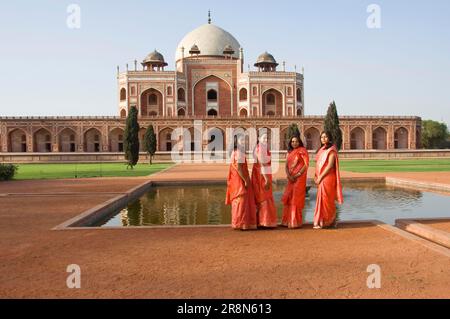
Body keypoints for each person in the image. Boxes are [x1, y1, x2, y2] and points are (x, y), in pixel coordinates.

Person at [225, 134, 257, 230]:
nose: (243, 141)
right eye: (241, 140)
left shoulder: (235, 152)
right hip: (239, 179)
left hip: (235, 179)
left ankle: (238, 223)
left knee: (238, 201)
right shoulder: (239, 152)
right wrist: (245, 180)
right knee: (242, 201)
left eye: (244, 140)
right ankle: (242, 223)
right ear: (236, 141)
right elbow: (239, 168)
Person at [313, 131, 343, 229]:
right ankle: (322, 221)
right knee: (322, 199)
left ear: (329, 138)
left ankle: (329, 221)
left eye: (326, 137)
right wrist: (316, 176)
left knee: (327, 200)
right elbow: (317, 165)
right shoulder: (321, 150)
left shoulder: (332, 150)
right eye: (322, 137)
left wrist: (321, 177)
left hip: (328, 177)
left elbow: (330, 166)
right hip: (321, 177)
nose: (323, 139)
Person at [281, 135, 309, 228]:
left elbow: (305, 165)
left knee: (295, 198)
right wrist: (289, 176)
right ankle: (287, 221)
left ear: (299, 142)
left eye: (296, 141)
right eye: (292, 141)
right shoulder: (289, 152)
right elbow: (286, 166)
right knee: (289, 198)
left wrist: (297, 175)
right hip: (291, 178)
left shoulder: (302, 151)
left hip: (299, 178)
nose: (294, 143)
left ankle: (295, 221)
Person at [251, 132, 277, 228]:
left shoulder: (259, 147)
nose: (266, 140)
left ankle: (260, 221)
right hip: (262, 175)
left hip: (260, 174)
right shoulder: (260, 147)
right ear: (258, 138)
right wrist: (266, 178)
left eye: (267, 138)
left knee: (261, 196)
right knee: (264, 196)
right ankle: (265, 221)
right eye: (264, 138)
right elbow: (262, 163)